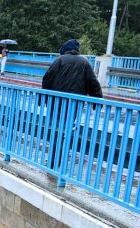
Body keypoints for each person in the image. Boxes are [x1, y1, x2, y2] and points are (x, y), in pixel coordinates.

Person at [40, 38, 102, 176]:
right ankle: (58, 161)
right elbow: (93, 82)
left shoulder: (59, 60)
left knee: (55, 131)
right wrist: (96, 100)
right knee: (64, 133)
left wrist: (42, 100)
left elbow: (47, 79)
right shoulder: (85, 62)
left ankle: (52, 162)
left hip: (56, 103)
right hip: (73, 105)